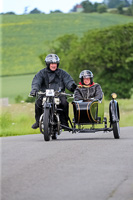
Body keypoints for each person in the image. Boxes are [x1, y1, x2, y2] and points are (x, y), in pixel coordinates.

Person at [30, 53, 77, 129]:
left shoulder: (62, 73)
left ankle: (64, 123)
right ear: (47, 64)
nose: (53, 65)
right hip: (44, 94)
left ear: (57, 64)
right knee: (38, 103)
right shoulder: (41, 73)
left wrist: (72, 87)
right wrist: (34, 90)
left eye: (55, 63)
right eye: (51, 63)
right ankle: (38, 121)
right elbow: (36, 82)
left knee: (64, 103)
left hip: (59, 94)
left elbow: (68, 81)